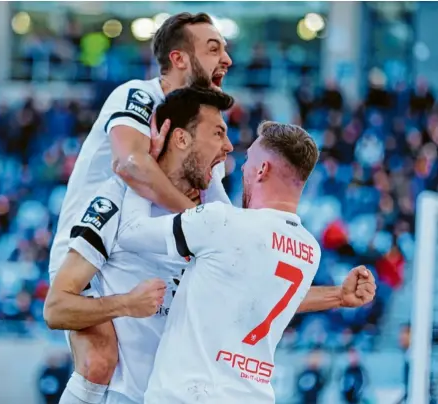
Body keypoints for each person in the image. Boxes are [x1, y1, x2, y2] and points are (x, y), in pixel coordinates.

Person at [45, 89, 377, 404]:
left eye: (245, 154)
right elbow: (57, 307)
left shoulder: (222, 223)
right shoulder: (306, 247)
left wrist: (141, 166)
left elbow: (137, 232)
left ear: (262, 168)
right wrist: (337, 296)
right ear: (181, 137)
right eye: (219, 133)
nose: (231, 150)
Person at [47, 12, 233, 403]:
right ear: (179, 58)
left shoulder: (196, 135)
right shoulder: (139, 93)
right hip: (91, 245)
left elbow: (229, 231)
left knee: (150, 381)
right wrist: (196, 223)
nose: (227, 60)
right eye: (214, 48)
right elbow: (131, 164)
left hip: (141, 255)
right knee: (100, 361)